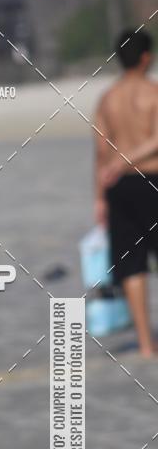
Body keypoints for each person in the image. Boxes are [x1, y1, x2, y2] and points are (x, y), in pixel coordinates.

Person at [95, 28, 158, 357]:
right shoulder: (154, 93)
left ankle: (146, 344)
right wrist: (126, 161)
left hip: (119, 188)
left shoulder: (108, 98)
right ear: (146, 57)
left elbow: (100, 151)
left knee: (132, 265)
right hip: (152, 180)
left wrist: (99, 198)